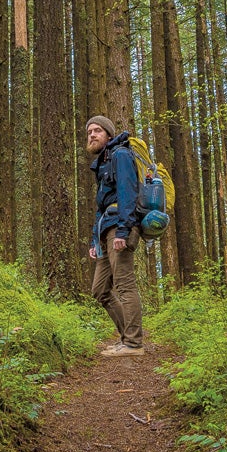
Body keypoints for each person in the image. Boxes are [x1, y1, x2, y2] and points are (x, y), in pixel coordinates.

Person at [85, 114, 144, 356]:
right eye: (89, 132)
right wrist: (93, 240)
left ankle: (133, 343)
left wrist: (124, 229)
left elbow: (127, 193)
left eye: (97, 131)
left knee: (124, 285)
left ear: (108, 134)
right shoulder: (103, 161)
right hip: (105, 231)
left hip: (120, 228)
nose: (92, 135)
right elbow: (101, 206)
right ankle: (125, 338)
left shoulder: (120, 155)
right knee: (100, 290)